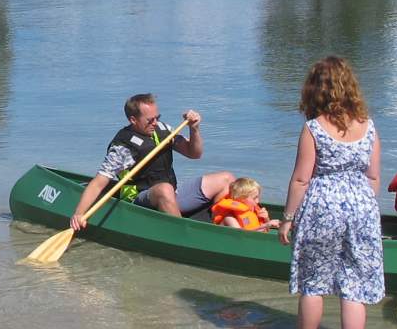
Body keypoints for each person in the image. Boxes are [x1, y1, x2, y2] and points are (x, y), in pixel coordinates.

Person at [276, 56, 382, 329]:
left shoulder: (314, 128)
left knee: (313, 282)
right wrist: (362, 207)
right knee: (354, 287)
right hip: (362, 206)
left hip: (323, 205)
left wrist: (287, 219)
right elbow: (373, 176)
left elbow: (300, 179)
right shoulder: (369, 127)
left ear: (315, 90)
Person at [68, 94, 232, 230]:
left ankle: (220, 227)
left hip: (171, 194)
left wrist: (194, 129)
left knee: (227, 179)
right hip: (139, 200)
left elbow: (194, 153)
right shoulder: (123, 148)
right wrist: (79, 214)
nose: (155, 123)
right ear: (133, 120)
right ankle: (183, 234)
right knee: (164, 190)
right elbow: (98, 182)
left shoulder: (162, 130)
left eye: (157, 117)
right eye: (150, 120)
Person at [210, 176, 274, 230]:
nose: (258, 201)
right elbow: (242, 236)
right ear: (241, 198)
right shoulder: (229, 218)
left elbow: (266, 230)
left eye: (258, 197)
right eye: (254, 198)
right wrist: (266, 225)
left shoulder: (253, 211)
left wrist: (266, 219)